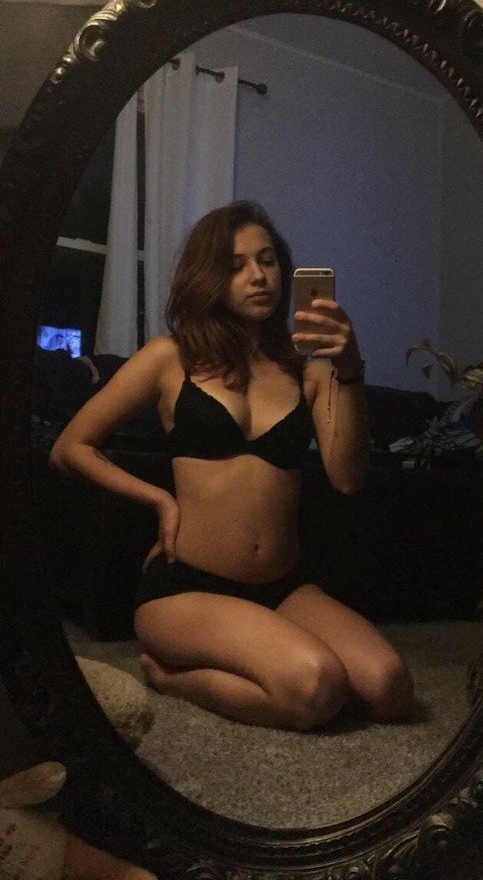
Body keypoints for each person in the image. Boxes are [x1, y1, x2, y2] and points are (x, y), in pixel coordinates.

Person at [50, 202, 414, 731]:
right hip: (187, 587)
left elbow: (347, 477)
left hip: (285, 586)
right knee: (317, 684)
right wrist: (159, 499)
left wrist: (350, 365)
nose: (257, 276)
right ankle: (174, 679)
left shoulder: (311, 373)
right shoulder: (170, 358)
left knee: (389, 688)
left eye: (267, 260)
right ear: (209, 277)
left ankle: (270, 659)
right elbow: (70, 447)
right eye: (237, 264)